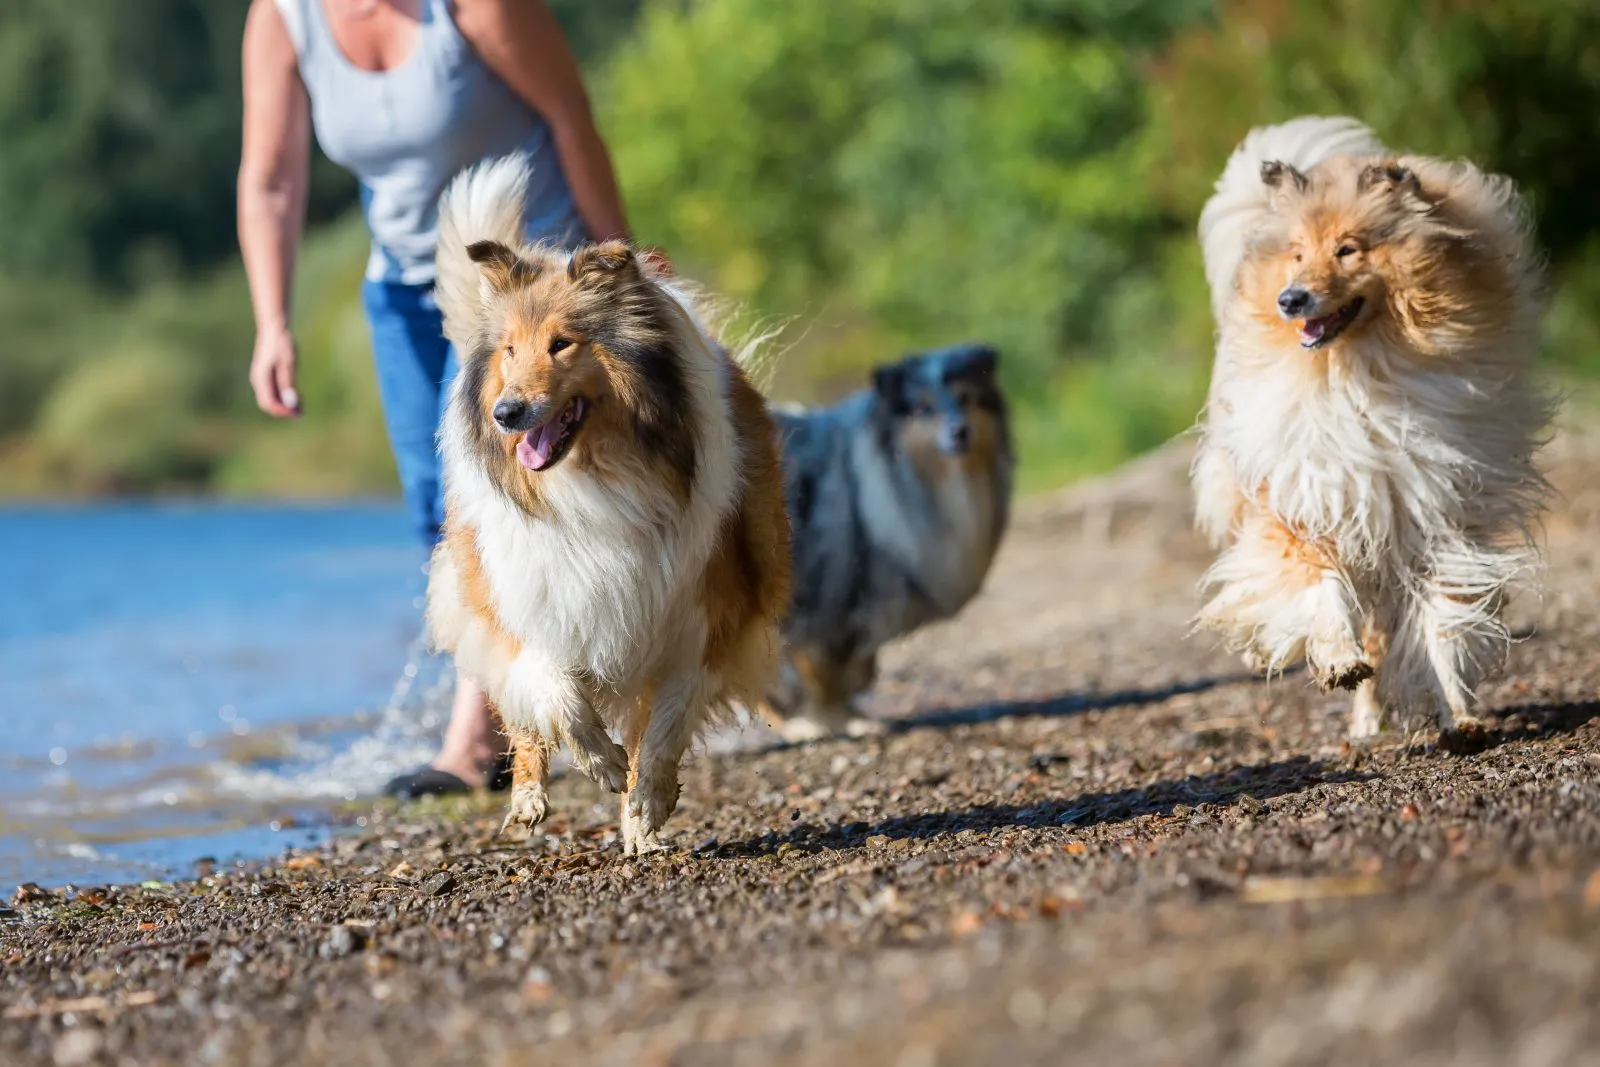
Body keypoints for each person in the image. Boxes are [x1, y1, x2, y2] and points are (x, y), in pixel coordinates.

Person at [237, 0, 662, 797]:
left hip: (523, 286)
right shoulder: (283, 18)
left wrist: (623, 268)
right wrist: (271, 323)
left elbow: (572, 119)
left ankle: (474, 742)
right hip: (401, 288)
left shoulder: (474, 9)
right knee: (432, 502)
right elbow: (270, 179)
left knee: (478, 494)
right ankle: (522, 696)